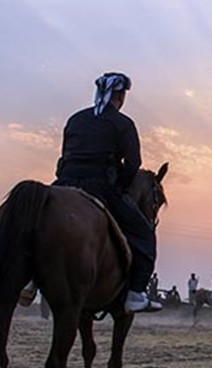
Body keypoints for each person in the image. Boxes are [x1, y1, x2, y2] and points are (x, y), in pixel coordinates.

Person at [54, 72, 161, 313]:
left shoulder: (75, 120)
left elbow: (64, 157)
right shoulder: (123, 124)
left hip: (63, 183)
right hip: (99, 186)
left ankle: (29, 281)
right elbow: (133, 164)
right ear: (120, 96)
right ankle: (135, 294)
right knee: (145, 236)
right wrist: (120, 186)